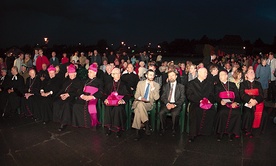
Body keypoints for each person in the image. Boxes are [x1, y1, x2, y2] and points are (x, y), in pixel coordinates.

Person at [186, 67, 216, 142]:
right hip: (196, 103)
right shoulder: (191, 83)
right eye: (204, 72)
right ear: (199, 73)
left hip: (207, 103)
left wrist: (209, 100)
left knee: (211, 111)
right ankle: (193, 134)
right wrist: (199, 101)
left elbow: (212, 95)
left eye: (206, 72)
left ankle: (206, 132)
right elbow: (189, 95)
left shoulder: (209, 83)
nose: (206, 74)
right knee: (196, 111)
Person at [132, 69, 160, 141]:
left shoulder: (156, 85)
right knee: (140, 104)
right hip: (139, 101)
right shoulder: (140, 83)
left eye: (153, 75)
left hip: (148, 104)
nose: (152, 76)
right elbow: (136, 95)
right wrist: (141, 98)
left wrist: (153, 88)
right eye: (150, 75)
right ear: (146, 75)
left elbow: (156, 98)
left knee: (138, 108)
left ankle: (137, 131)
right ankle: (146, 124)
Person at [72, 64, 103, 129]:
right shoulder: (85, 81)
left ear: (95, 73)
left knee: (91, 106)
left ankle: (93, 124)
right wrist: (82, 95)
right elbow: (79, 89)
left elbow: (101, 91)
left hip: (92, 98)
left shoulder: (99, 81)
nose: (88, 73)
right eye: (88, 72)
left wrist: (92, 97)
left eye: (90, 72)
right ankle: (79, 123)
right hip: (84, 97)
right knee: (76, 105)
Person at [214, 71, 241, 141]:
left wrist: (235, 102)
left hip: (232, 103)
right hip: (223, 104)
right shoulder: (217, 86)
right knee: (222, 112)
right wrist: (220, 101)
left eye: (222, 75)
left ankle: (231, 133)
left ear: (226, 76)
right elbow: (215, 96)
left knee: (236, 113)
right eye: (219, 75)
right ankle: (220, 133)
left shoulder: (232, 84)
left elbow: (237, 95)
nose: (220, 77)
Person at [103, 68, 130, 138]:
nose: (118, 75)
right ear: (112, 75)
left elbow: (128, 94)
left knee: (117, 109)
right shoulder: (108, 83)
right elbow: (104, 94)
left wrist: (123, 100)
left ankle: (118, 129)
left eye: (119, 73)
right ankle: (108, 127)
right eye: (115, 73)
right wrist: (105, 99)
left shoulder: (124, 83)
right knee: (108, 107)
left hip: (119, 103)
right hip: (111, 102)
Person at [53, 64, 80, 131]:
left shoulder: (78, 81)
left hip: (72, 97)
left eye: (72, 73)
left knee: (66, 104)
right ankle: (58, 119)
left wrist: (68, 94)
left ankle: (64, 123)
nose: (70, 75)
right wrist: (61, 95)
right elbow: (62, 89)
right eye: (69, 73)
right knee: (56, 102)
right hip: (64, 95)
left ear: (75, 73)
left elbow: (78, 92)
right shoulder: (67, 81)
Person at [240, 69, 266, 137]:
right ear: (246, 75)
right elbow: (242, 94)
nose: (251, 73)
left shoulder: (258, 84)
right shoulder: (243, 84)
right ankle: (247, 130)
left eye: (253, 72)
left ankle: (259, 130)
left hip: (257, 103)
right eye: (249, 72)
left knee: (264, 114)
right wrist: (250, 100)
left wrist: (256, 101)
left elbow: (262, 95)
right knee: (248, 113)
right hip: (247, 102)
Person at [159, 70, 185, 136]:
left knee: (174, 114)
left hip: (176, 104)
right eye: (169, 76)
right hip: (167, 103)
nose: (171, 77)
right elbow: (163, 97)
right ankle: (163, 128)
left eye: (172, 75)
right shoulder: (165, 86)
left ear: (176, 76)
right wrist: (167, 103)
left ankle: (174, 129)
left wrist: (175, 104)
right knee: (161, 113)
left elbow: (182, 98)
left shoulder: (181, 86)